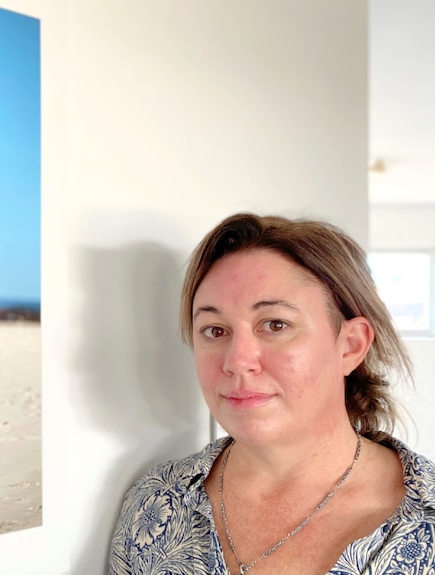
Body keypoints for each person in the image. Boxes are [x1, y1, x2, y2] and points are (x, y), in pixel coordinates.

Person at [109, 213, 435, 574]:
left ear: (350, 347)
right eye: (215, 330)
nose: (237, 361)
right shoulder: (156, 504)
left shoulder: (425, 521)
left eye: (275, 325)